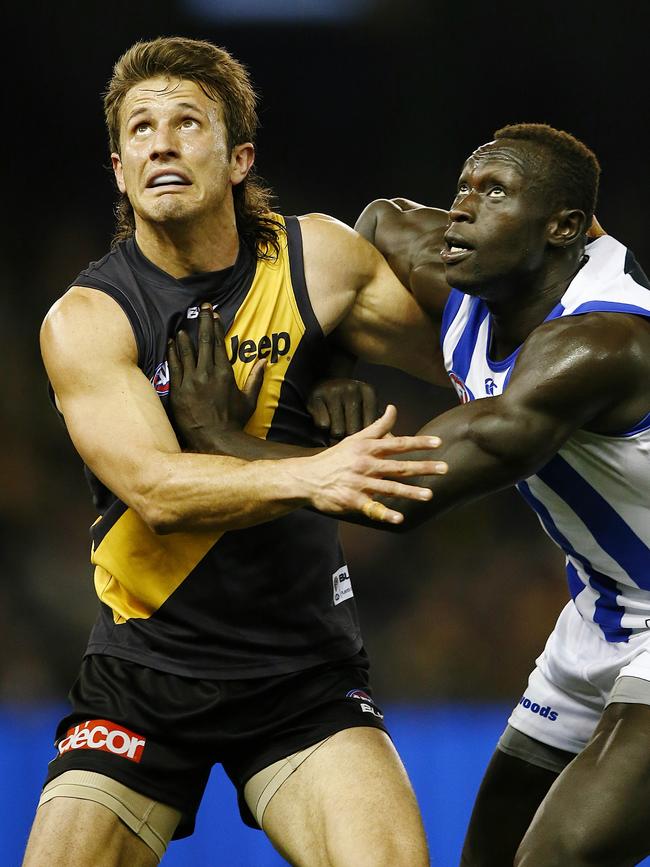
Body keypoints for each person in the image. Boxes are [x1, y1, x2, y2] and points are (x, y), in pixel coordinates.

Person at [23, 36, 451, 867]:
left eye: (188, 122)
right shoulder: (86, 320)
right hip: (145, 673)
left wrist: (342, 357)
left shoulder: (317, 262)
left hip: (304, 673)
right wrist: (318, 470)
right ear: (119, 170)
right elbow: (157, 489)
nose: (162, 142)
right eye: (140, 129)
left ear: (238, 157)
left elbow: (469, 365)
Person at [182, 123, 650, 865]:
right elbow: (373, 223)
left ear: (563, 228)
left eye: (494, 193)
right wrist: (335, 362)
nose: (461, 209)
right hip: (605, 604)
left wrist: (218, 439)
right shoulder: (455, 255)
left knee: (559, 856)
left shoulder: (599, 345)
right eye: (465, 185)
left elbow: (405, 496)